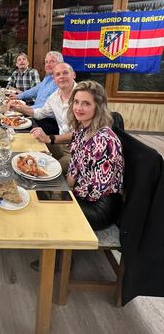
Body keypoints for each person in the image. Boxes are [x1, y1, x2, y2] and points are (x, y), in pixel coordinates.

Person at [65, 80, 124, 230]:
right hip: (84, 194)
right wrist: (64, 187)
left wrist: (66, 193)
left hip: (100, 208)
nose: (78, 108)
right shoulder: (81, 128)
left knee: (52, 208)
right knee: (43, 193)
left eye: (86, 103)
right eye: (76, 102)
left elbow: (98, 189)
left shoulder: (105, 140)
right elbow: (74, 166)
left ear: (98, 107)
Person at [13, 62, 77, 173]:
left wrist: (49, 138)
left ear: (74, 75)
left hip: (78, 152)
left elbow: (82, 134)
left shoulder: (84, 97)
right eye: (57, 74)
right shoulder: (54, 97)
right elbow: (39, 113)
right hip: (60, 144)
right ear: (54, 79)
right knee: (28, 149)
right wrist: (19, 108)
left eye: (65, 73)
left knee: (44, 172)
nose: (61, 76)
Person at [8, 51, 63, 134]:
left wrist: (25, 108)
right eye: (46, 62)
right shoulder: (48, 77)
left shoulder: (60, 81)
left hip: (49, 122)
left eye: (52, 61)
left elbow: (46, 106)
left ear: (60, 64)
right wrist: (18, 97)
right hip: (37, 115)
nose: (48, 64)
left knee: (15, 129)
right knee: (10, 123)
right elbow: (35, 90)